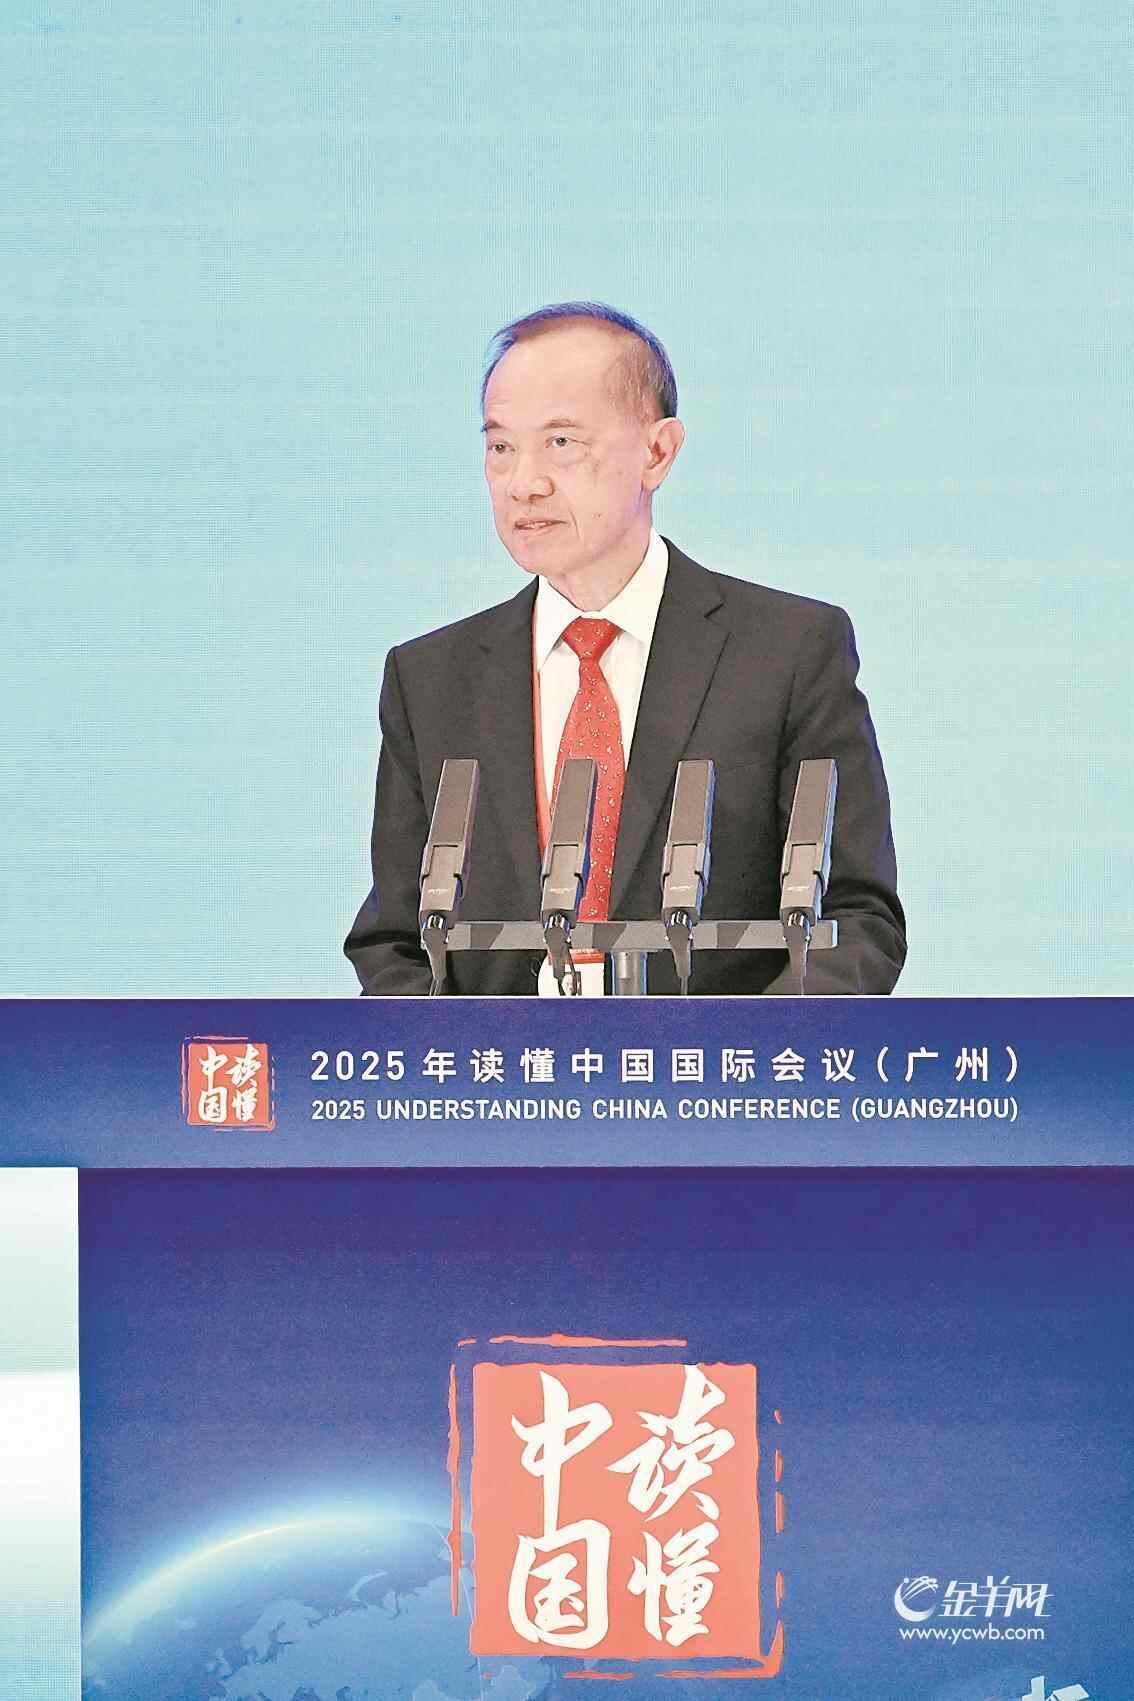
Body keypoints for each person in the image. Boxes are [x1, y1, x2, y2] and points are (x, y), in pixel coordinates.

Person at [345, 302, 905, 996]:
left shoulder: (788, 653)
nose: (524, 483)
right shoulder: (430, 681)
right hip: (503, 1067)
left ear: (657, 452)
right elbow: (394, 942)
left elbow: (856, 923)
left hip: (718, 1065)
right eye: (500, 448)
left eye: (561, 443)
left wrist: (742, 1055)